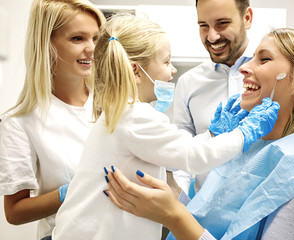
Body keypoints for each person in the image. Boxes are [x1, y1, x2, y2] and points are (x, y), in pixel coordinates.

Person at [105, 28, 294, 240]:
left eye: (264, 59)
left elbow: (186, 220)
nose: (245, 68)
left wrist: (173, 216)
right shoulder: (248, 146)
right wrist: (164, 174)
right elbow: (206, 213)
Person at [51, 13, 279, 240]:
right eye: (167, 61)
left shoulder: (122, 111)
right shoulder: (136, 116)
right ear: (135, 71)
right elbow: (195, 157)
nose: (172, 70)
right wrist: (244, 132)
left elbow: (183, 150)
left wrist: (212, 134)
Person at [171, 0, 294, 195]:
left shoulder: (275, 73)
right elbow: (182, 154)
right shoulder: (188, 83)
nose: (212, 36)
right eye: (203, 25)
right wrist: (178, 204)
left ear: (247, 18)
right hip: (205, 207)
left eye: (222, 23)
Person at [0, 0, 105, 239]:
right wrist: (72, 191)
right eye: (78, 38)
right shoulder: (21, 122)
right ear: (47, 44)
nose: (91, 49)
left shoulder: (112, 104)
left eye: (96, 38)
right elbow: (15, 212)